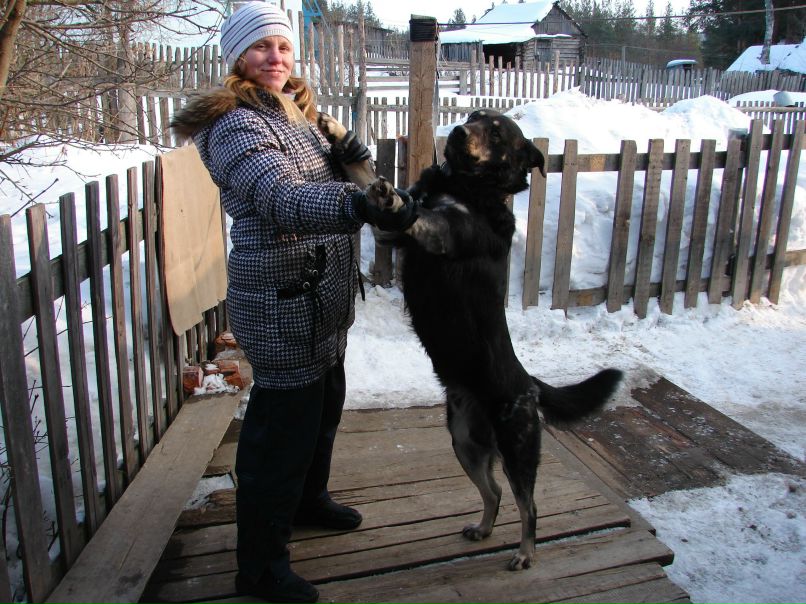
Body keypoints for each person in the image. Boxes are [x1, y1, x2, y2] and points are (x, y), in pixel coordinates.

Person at [171, 3, 417, 603]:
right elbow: (280, 197)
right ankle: (258, 566)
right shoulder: (234, 124)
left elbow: (339, 176)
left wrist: (359, 169)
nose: (274, 58)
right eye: (260, 48)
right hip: (282, 302)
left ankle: (309, 501)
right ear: (237, 57)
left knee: (323, 408)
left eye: (282, 46)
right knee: (278, 437)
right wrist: (358, 207)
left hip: (321, 297)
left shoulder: (301, 114)